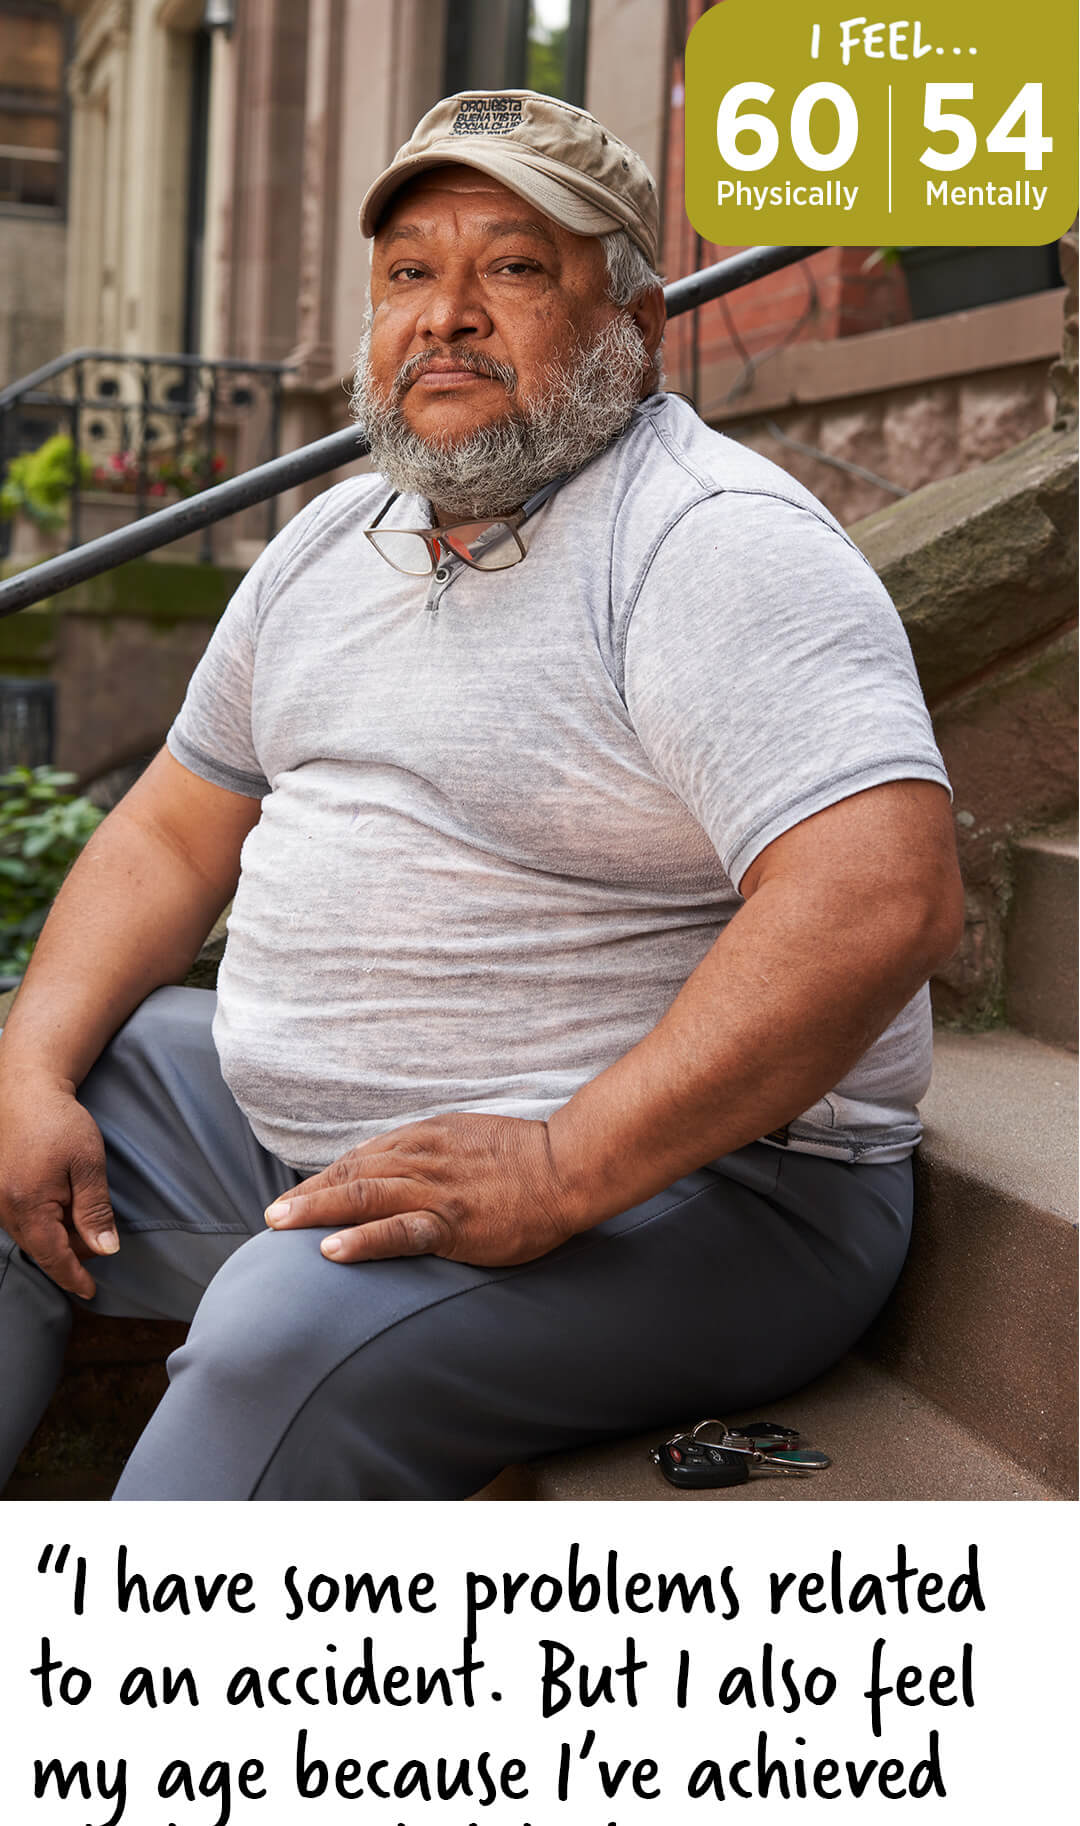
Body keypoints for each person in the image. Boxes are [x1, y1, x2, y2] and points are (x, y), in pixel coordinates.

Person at [0, 90, 963, 1501]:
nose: (444, 315)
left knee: (283, 1339)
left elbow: (883, 896)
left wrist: (568, 1165)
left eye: (512, 268)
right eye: (408, 273)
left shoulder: (711, 543)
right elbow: (166, 830)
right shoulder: (330, 540)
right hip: (317, 1121)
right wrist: (27, 1070)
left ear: (638, 325)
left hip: (712, 1182)